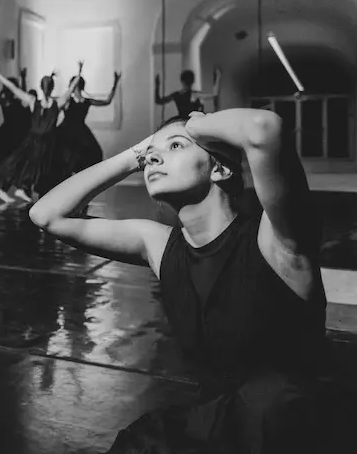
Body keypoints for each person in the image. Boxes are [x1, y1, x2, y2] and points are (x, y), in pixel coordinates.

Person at [29, 108, 347, 452]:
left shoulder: (279, 241)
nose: (154, 159)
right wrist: (137, 153)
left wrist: (195, 124)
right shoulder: (160, 246)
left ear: (219, 168)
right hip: (217, 427)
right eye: (150, 155)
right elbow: (46, 215)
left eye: (176, 146)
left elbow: (263, 128)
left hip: (294, 432)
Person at [0, 61, 67, 204]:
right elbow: (13, 88)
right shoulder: (37, 102)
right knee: (23, 164)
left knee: (29, 166)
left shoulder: (46, 102)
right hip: (37, 141)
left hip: (43, 142)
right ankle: (17, 189)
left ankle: (21, 189)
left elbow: (13, 88)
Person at [55, 66, 121, 179]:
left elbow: (107, 101)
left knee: (93, 153)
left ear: (76, 86)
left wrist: (115, 83)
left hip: (80, 132)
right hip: (66, 131)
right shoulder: (68, 101)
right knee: (65, 156)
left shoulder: (87, 101)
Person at [0, 68, 31, 173]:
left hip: (12, 133)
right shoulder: (10, 101)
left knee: (7, 160)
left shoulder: (8, 101)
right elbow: (23, 93)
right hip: (13, 133)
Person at [156, 67, 222, 116]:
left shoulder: (176, 95)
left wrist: (157, 86)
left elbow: (159, 101)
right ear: (192, 81)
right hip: (194, 122)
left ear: (181, 81)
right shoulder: (195, 94)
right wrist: (218, 77)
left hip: (183, 122)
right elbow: (215, 95)